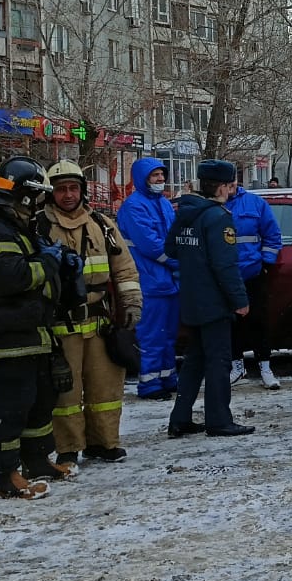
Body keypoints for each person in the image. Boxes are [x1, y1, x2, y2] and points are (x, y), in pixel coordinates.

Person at [0, 156, 67, 500]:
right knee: (9, 405)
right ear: (24, 195)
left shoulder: (15, 225)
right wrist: (47, 262)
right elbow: (13, 278)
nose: (42, 204)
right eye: (38, 197)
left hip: (32, 328)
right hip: (8, 332)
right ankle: (2, 474)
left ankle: (36, 459)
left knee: (39, 398)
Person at [38, 161, 143, 465]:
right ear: (51, 193)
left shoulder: (102, 225)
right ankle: (68, 447)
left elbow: (124, 269)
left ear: (82, 190)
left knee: (106, 388)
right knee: (65, 394)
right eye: (60, 189)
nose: (68, 195)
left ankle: (104, 443)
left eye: (73, 188)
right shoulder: (40, 227)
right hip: (61, 326)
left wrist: (133, 304)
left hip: (101, 323)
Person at [164, 159, 253, 438]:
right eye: (232, 184)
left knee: (194, 360)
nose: (234, 188)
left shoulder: (186, 213)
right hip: (214, 301)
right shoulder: (217, 217)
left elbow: (171, 250)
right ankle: (218, 418)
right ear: (223, 187)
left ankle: (180, 418)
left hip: (191, 297)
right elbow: (225, 265)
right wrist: (239, 299)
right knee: (218, 361)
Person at [116, 156, 179, 400]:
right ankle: (150, 385)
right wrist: (178, 260)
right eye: (155, 176)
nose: (160, 180)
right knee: (152, 336)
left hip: (167, 281)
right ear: (143, 179)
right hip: (149, 281)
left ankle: (167, 377)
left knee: (168, 335)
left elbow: (171, 237)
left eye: (162, 175)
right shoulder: (134, 206)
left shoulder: (162, 203)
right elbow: (151, 245)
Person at [226, 179, 284, 390]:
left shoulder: (255, 203)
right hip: (228, 276)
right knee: (232, 323)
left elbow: (272, 235)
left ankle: (265, 368)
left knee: (259, 321)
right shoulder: (215, 205)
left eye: (231, 181)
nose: (228, 186)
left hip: (253, 273)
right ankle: (236, 366)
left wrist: (266, 264)